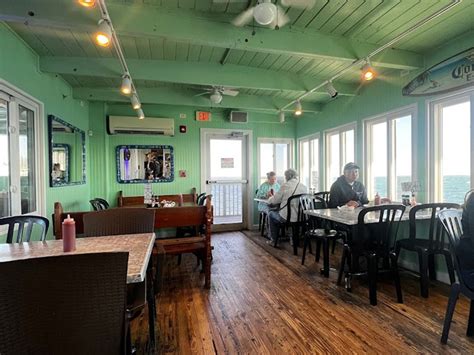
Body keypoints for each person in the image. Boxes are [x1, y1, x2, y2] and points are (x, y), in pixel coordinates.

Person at [267, 169, 307, 243]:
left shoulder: (285, 186)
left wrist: (269, 199)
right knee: (293, 215)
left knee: (271, 214)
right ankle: (293, 238)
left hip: (287, 218)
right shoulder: (303, 186)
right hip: (301, 217)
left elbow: (275, 200)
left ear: (287, 177)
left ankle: (273, 240)